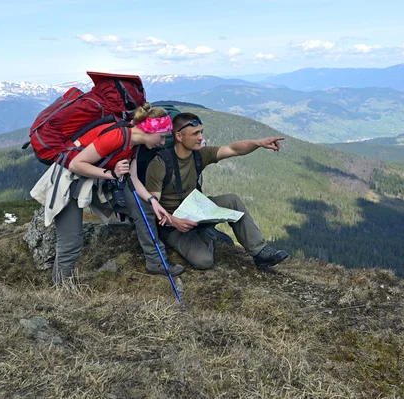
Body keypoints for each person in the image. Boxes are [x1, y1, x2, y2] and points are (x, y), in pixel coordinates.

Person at [31, 103, 186, 285]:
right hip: (68, 181)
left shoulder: (134, 144)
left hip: (93, 181)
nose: (162, 142)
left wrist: (153, 201)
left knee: (143, 209)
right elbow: (75, 164)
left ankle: (156, 261)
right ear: (149, 131)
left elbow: (133, 179)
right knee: (71, 241)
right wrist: (112, 174)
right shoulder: (116, 136)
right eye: (161, 137)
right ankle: (62, 290)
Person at [144, 112, 290, 270]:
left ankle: (260, 252)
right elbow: (153, 207)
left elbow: (233, 149)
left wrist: (259, 143)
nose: (200, 137)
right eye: (195, 133)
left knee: (231, 201)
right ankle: (207, 234)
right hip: (173, 225)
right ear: (179, 136)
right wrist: (174, 221)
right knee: (204, 261)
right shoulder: (160, 163)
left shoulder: (199, 155)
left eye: (201, 132)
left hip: (196, 212)